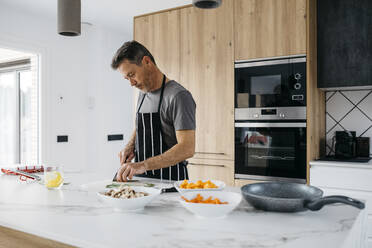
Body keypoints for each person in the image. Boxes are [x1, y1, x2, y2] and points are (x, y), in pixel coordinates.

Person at [111, 40, 196, 182]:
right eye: (127, 78)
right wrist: (130, 145)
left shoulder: (178, 96)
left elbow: (187, 148)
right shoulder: (143, 93)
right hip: (143, 181)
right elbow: (141, 126)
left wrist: (143, 165)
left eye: (132, 75)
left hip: (171, 183)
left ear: (147, 62)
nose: (131, 83)